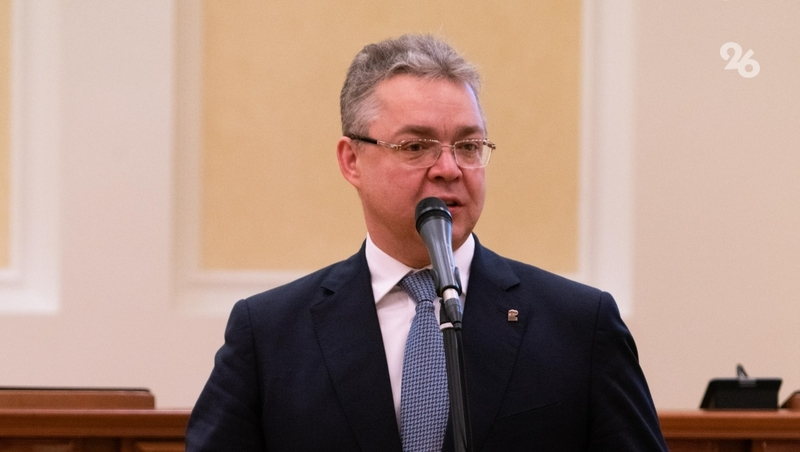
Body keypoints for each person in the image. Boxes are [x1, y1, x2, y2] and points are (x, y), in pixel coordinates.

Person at [186, 34, 668, 452]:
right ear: (352, 160)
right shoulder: (269, 334)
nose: (449, 168)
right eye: (416, 146)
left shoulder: (578, 326)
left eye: (469, 146)